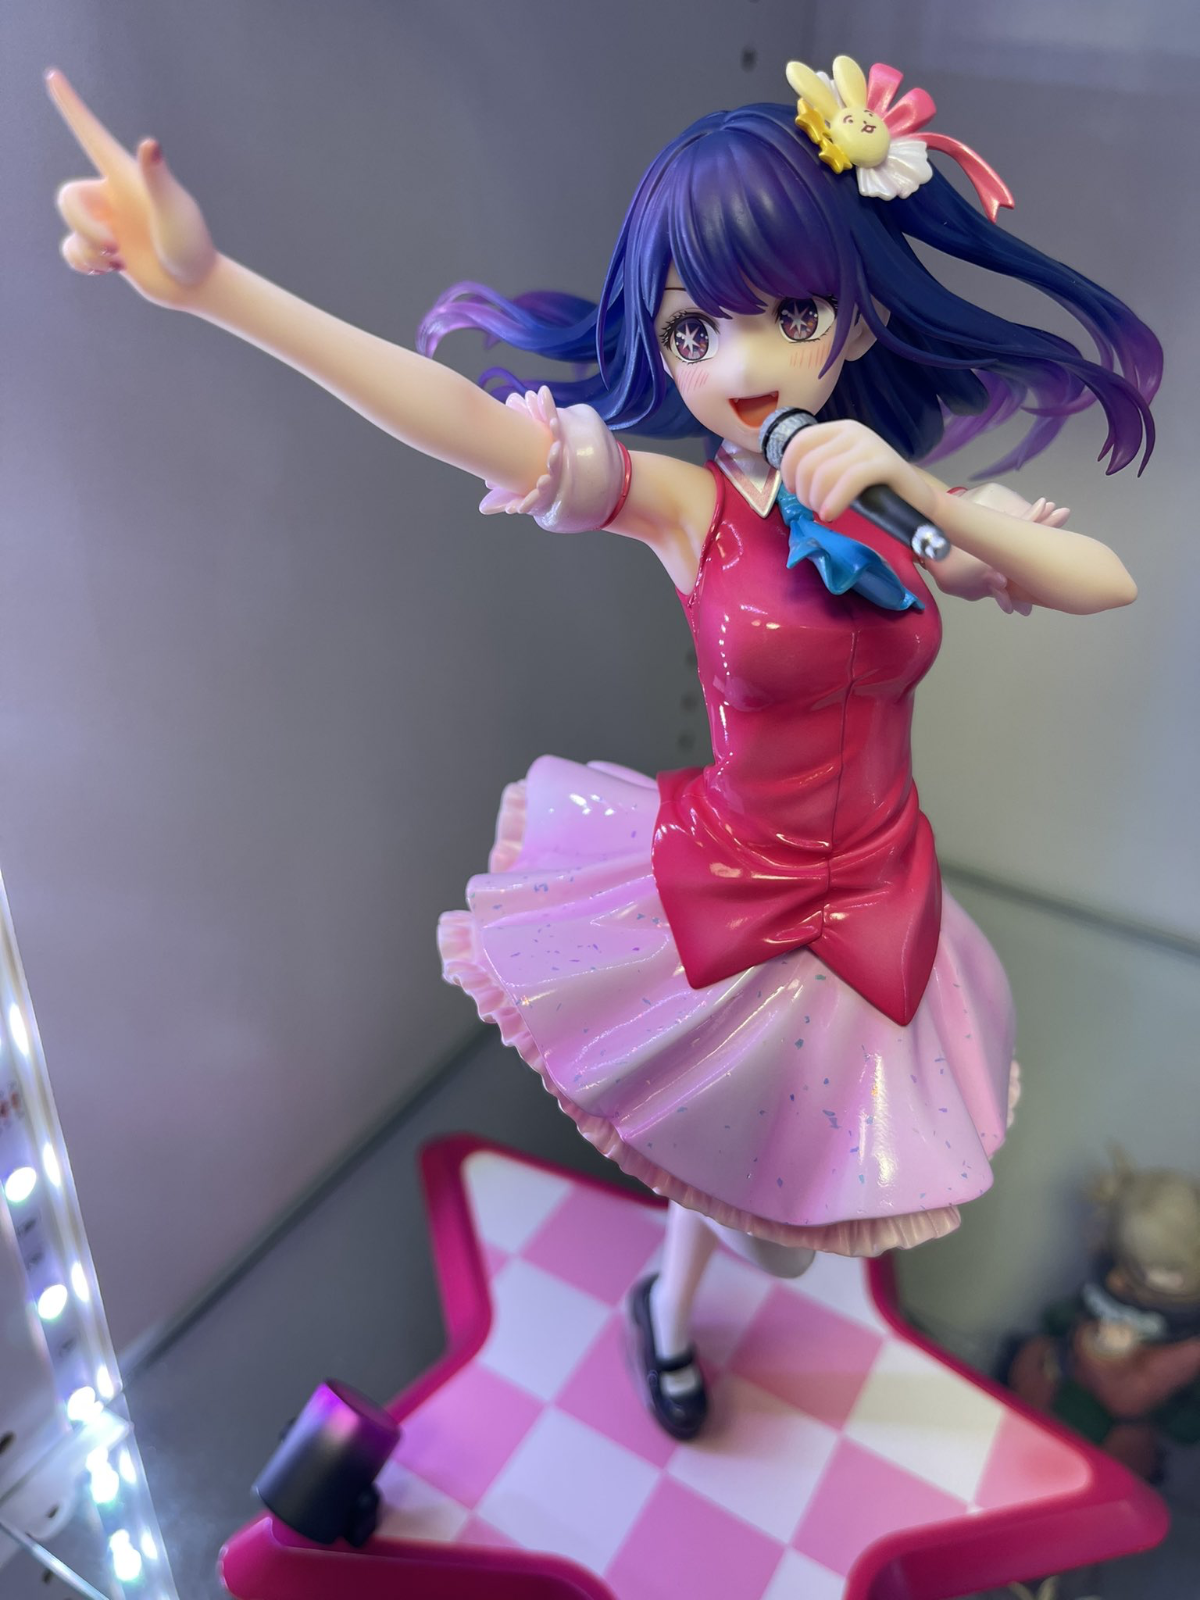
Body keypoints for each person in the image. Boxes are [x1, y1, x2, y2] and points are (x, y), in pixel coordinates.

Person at [47, 53, 1158, 1440]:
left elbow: (1101, 582)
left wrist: (918, 494)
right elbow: (467, 426)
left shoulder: (896, 498)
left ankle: (670, 1304)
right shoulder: (691, 506)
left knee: (773, 1186)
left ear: (857, 318)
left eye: (791, 314)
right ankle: (668, 1310)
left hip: (881, 902)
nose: (741, 366)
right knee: (746, 1200)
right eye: (694, 331)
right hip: (729, 895)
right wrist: (219, 288)